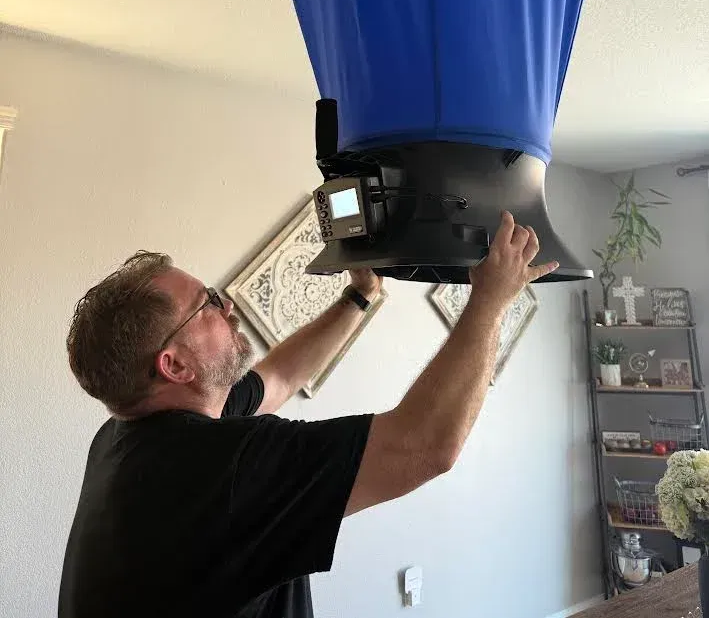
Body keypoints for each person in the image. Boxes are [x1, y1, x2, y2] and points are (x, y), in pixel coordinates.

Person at [59, 211, 557, 617]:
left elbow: (277, 380)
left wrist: (360, 297)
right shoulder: (225, 466)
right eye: (206, 305)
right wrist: (491, 302)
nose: (226, 305)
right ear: (174, 364)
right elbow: (424, 446)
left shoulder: (126, 438)